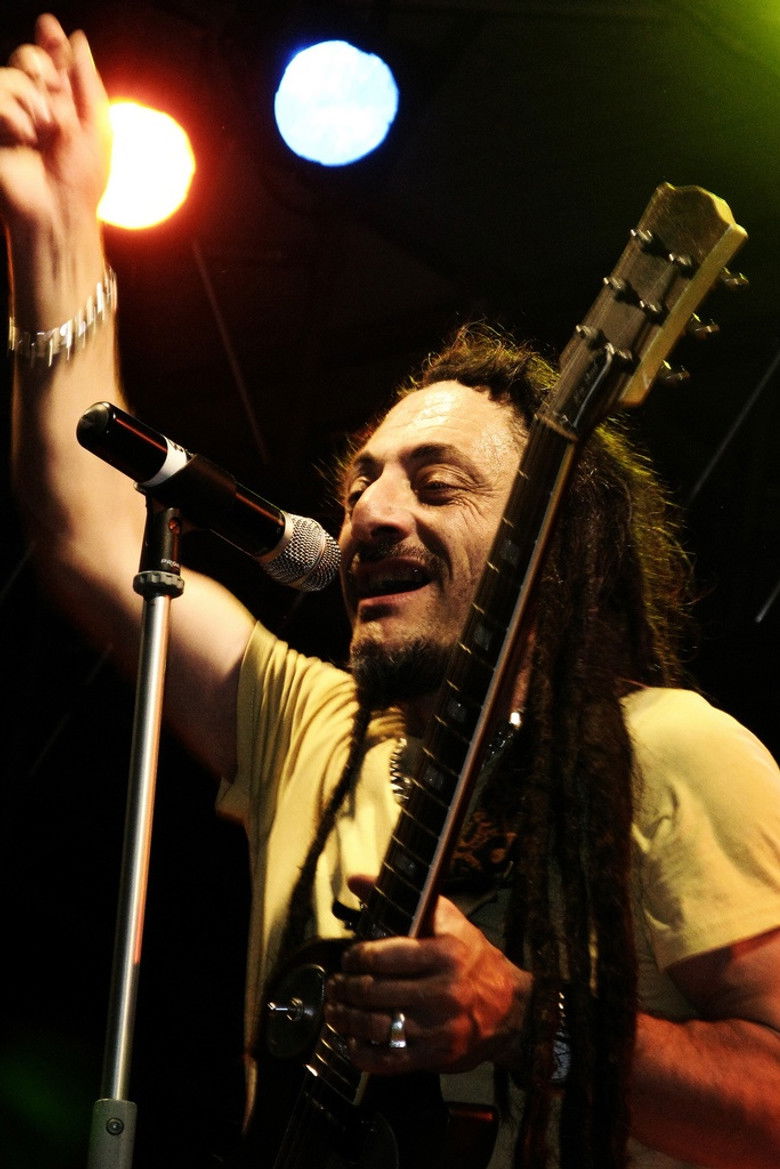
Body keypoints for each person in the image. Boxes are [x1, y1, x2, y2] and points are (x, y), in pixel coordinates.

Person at [2, 14, 779, 1169]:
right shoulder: (315, 728)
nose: (370, 511)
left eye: (436, 482)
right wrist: (57, 226)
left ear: (546, 543)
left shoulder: (672, 750)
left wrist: (526, 1019)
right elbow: (91, 526)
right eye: (362, 479)